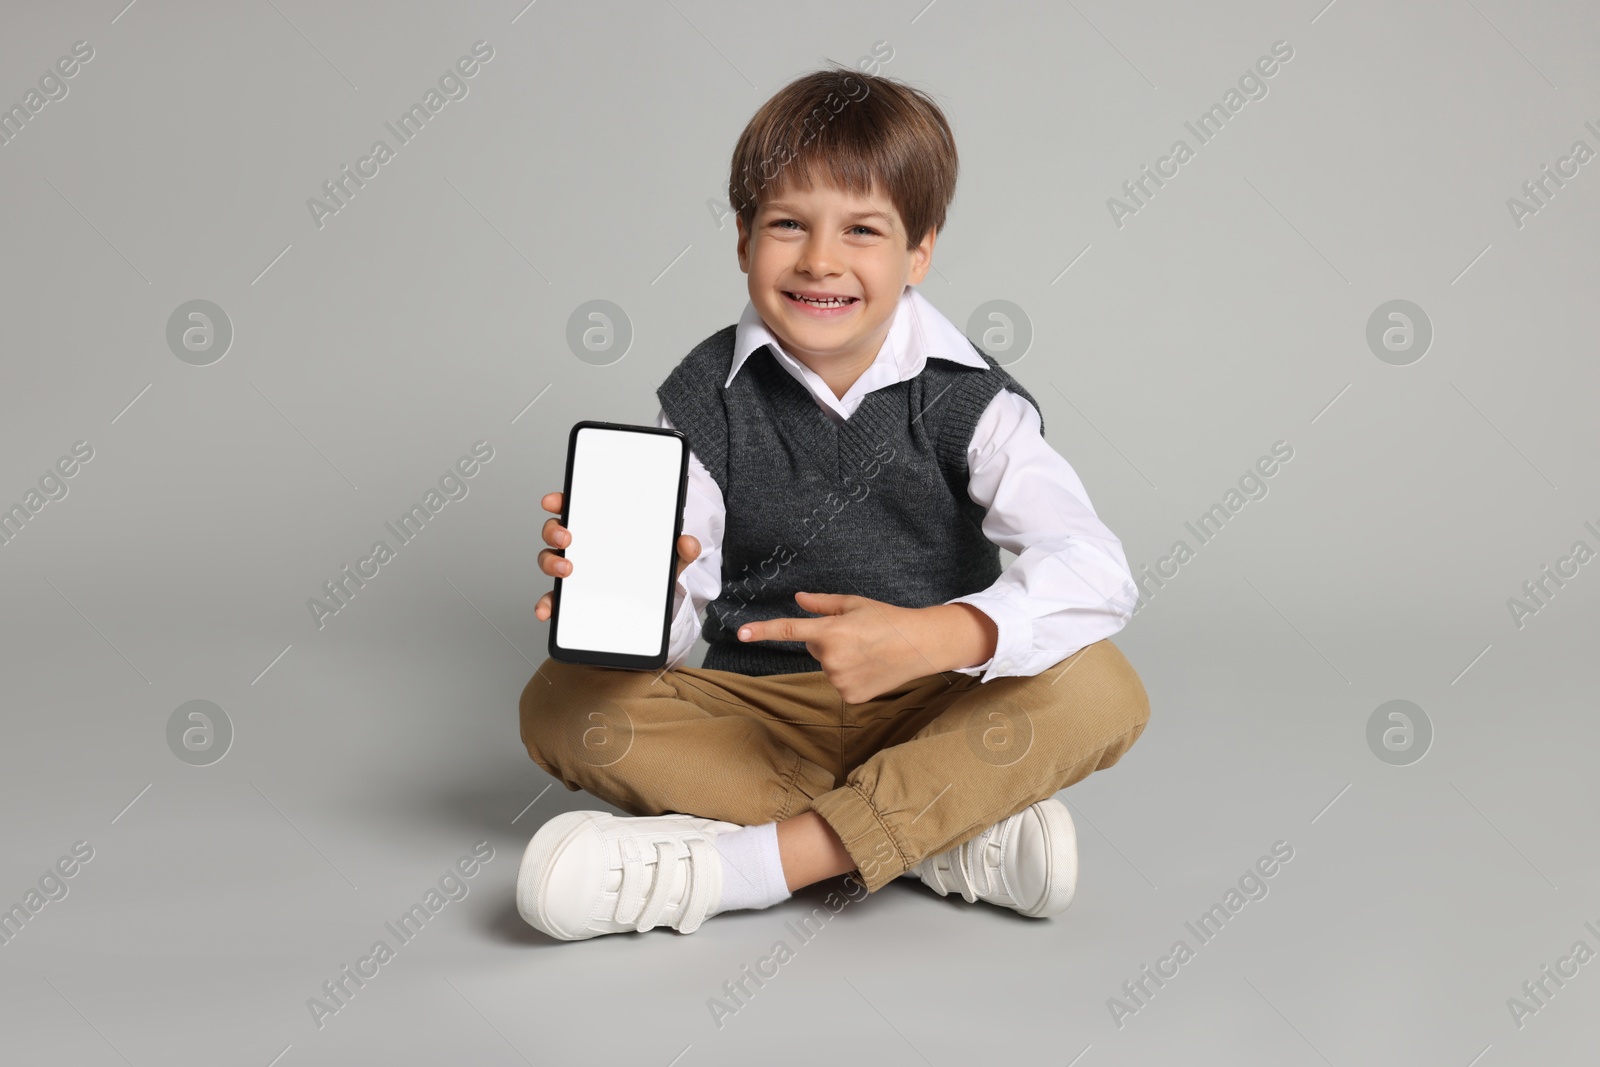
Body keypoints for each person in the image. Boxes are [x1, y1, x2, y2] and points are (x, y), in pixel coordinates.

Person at [515, 65, 1150, 941]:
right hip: (757, 716)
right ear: (742, 240)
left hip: (935, 704)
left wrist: (936, 635)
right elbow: (673, 626)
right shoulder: (703, 401)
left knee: (1103, 687)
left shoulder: (971, 402)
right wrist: (626, 599)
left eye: (862, 229)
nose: (820, 259)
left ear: (918, 250)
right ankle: (938, 833)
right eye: (787, 225)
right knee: (562, 704)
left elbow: (1096, 570)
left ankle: (741, 868)